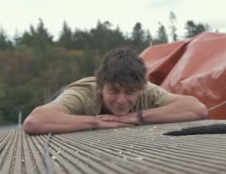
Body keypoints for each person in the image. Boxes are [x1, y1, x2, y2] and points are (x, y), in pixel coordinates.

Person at [23, 48, 208, 135]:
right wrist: (96, 122)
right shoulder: (83, 92)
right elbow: (34, 121)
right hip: (63, 96)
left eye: (129, 92)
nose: (121, 100)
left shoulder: (146, 90)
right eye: (114, 91)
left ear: (141, 88)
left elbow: (197, 109)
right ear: (101, 85)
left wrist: (137, 117)